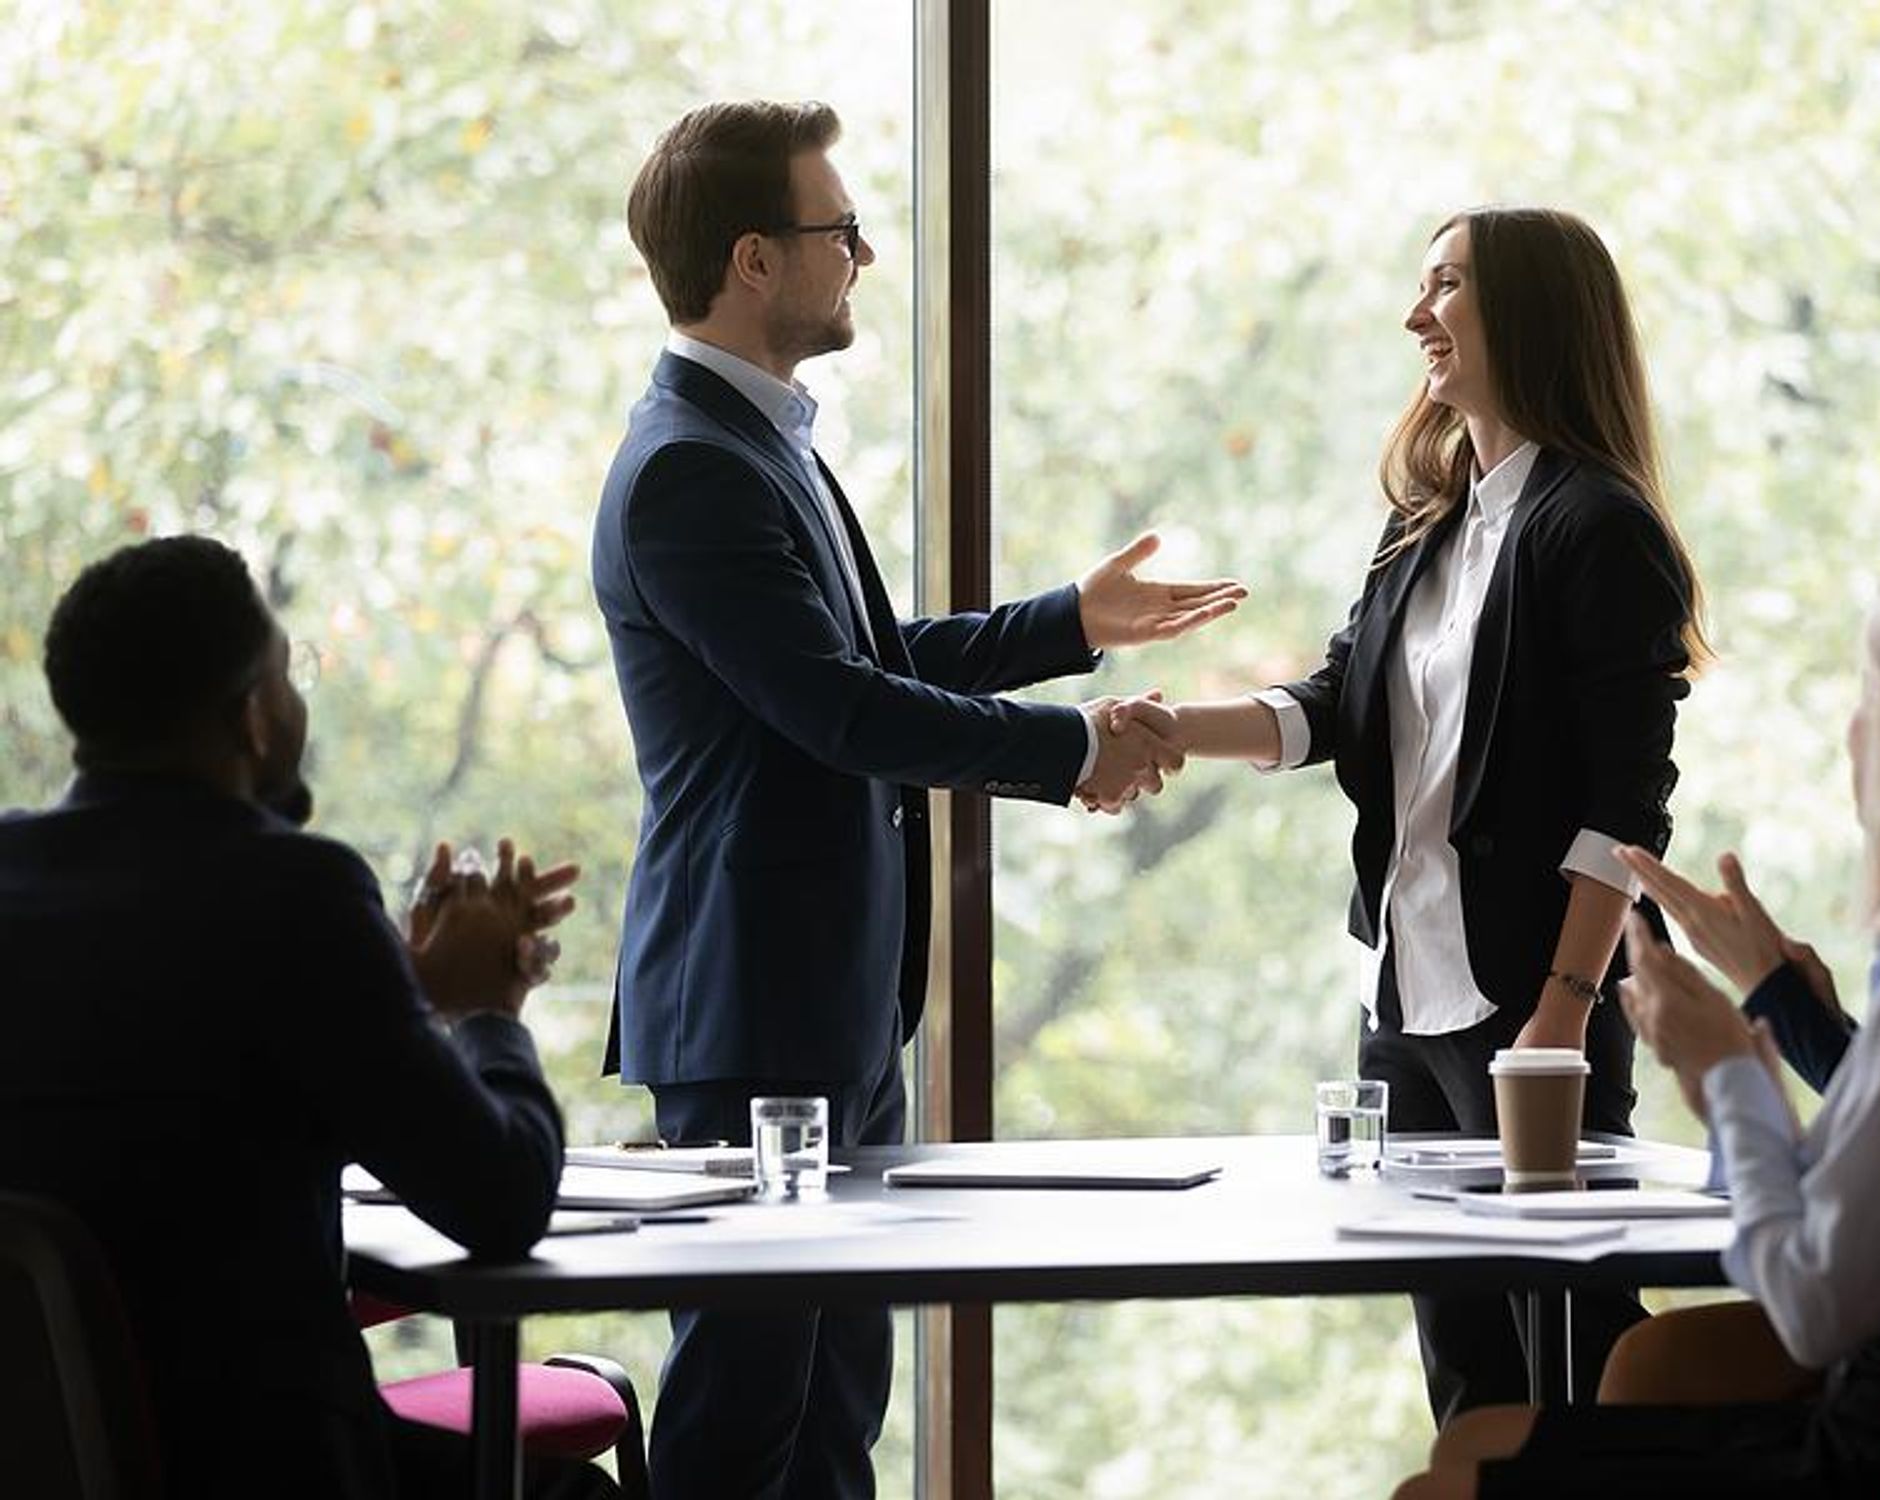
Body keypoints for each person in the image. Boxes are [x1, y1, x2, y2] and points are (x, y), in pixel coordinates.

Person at [591, 99, 1244, 1498]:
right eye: (841, 230)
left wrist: (1073, 618)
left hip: (824, 1007)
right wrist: (1071, 752)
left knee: (832, 1421)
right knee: (745, 1426)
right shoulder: (689, 470)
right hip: (754, 1011)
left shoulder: (756, 441)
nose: (866, 253)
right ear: (755, 259)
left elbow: (860, 665)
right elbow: (839, 713)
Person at [1135, 207, 1707, 1422]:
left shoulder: (1599, 530)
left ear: (1528, 314)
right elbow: (1337, 705)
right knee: (1463, 1371)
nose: (1414, 318)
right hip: (1401, 1003)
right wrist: (1173, 727)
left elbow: (1624, 811)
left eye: (1443, 288)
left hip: (1527, 1016)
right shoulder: (1426, 521)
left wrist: (1561, 1012)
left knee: (1573, 1359)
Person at [0, 535, 604, 1499]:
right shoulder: (296, 892)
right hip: (270, 1465)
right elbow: (501, 1200)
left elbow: (189, 1065)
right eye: (291, 674)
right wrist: (491, 1008)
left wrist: (401, 991)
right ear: (251, 717)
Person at [1394, 547, 1880, 1499]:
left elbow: (1810, 1306)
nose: (1852, 728)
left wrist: (1732, 1083)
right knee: (1486, 1444)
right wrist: (1756, 1048)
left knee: (1459, 1471)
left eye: (1874, 692)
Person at [1594, 503, 1880, 1406]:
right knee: (1638, 1370)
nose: (1855, 729)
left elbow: (1831, 1279)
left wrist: (1733, 1072)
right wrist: (1777, 997)